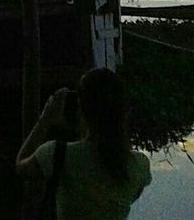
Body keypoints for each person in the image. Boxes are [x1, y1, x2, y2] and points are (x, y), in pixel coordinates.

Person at [16, 67, 151, 219]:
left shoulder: (57, 153)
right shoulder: (140, 165)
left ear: (81, 108)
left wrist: (45, 119)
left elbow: (21, 167)